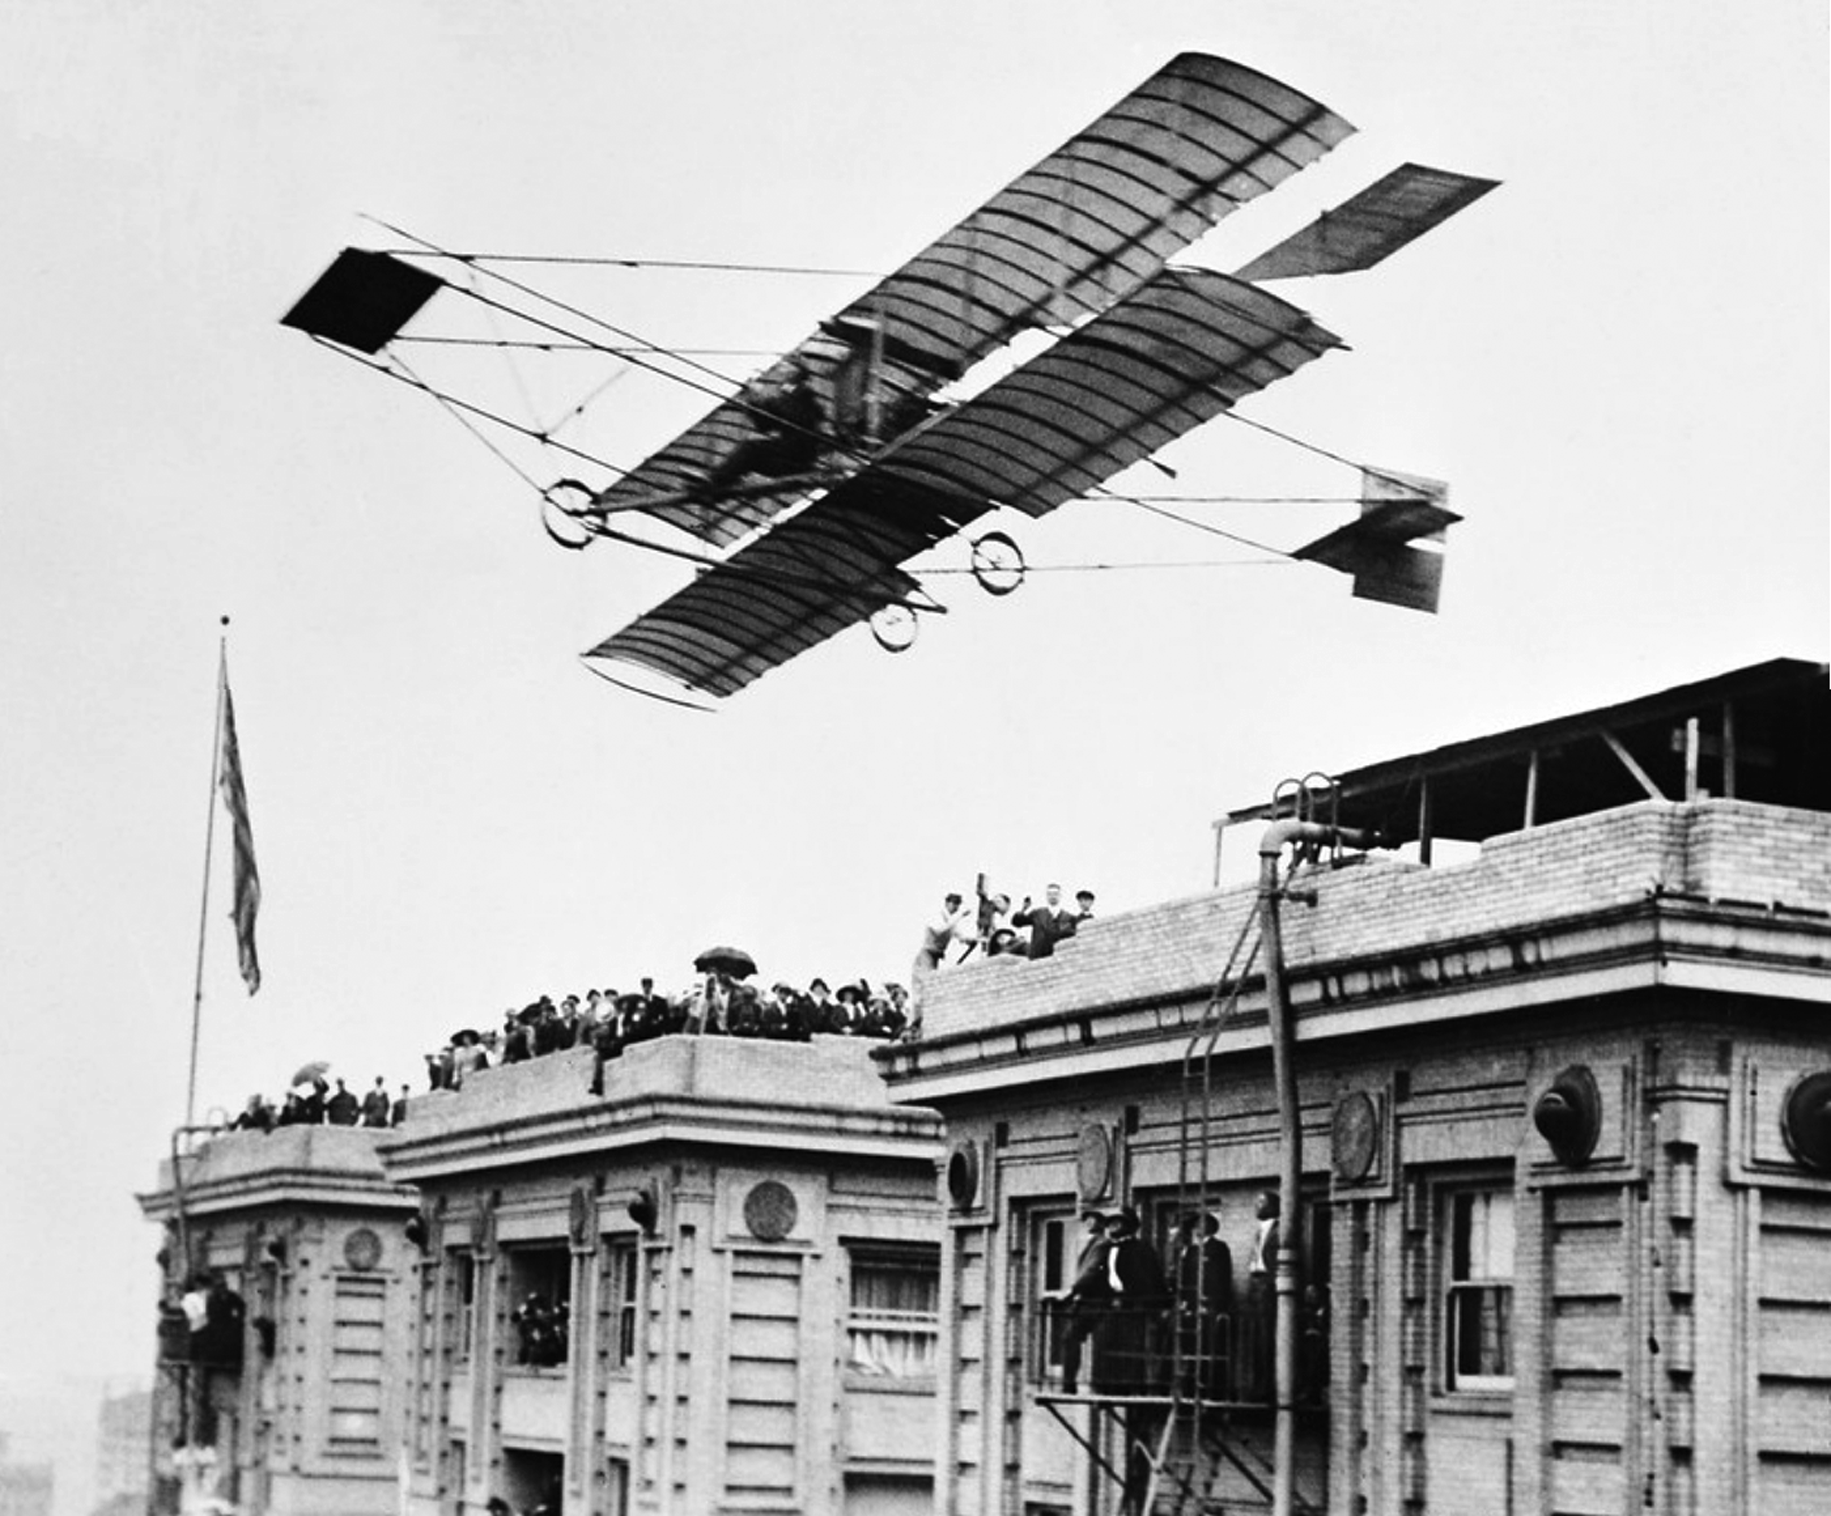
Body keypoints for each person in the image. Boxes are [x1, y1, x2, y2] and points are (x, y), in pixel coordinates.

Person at [699, 358, 827, 498]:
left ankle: (715, 481)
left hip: (799, 453)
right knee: (749, 453)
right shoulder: (785, 396)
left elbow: (794, 415)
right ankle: (715, 486)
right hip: (788, 454)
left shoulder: (804, 393)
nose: (780, 370)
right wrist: (752, 401)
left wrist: (763, 398)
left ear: (796, 371)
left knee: (751, 447)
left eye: (785, 366)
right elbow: (765, 425)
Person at [1173, 1213, 1234, 1399]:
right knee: (1191, 1349)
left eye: (1201, 1224)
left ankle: (1212, 1393)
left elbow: (1221, 1278)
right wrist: (1184, 1302)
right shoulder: (1191, 1250)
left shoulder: (1218, 1248)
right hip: (1191, 1309)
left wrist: (1214, 1304)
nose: (1196, 1228)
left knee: (1210, 1350)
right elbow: (1185, 1278)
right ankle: (1190, 1391)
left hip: (1209, 1309)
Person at [1059, 1211, 1113, 1396]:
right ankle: (1069, 1383)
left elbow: (1091, 1272)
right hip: (1086, 1301)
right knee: (1070, 1339)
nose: (1089, 1222)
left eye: (1093, 1219)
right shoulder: (1092, 1244)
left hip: (1096, 1301)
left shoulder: (1103, 1244)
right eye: (1087, 1219)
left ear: (1101, 1223)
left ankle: (1085, 1385)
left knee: (1095, 1344)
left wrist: (1072, 1290)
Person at [1240, 1191, 1279, 1401]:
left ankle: (1267, 1387)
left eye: (1261, 1202)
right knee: (1254, 1338)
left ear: (1274, 1206)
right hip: (1255, 1286)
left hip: (1268, 1286)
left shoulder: (1280, 1230)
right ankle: (1255, 1385)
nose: (1257, 1206)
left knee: (1266, 1338)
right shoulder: (1258, 1231)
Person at [1014, 884, 1077, 959]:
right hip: (1038, 955)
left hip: (1058, 955)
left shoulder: (1069, 917)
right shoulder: (1037, 913)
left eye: (1055, 894)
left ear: (1060, 896)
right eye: (1050, 894)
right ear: (1046, 896)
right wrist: (1023, 909)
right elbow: (1018, 923)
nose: (1052, 896)